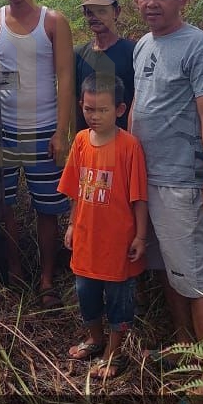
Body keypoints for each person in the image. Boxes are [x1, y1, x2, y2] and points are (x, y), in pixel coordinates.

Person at [129, 0, 203, 344]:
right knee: (167, 270)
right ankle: (186, 348)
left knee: (196, 278)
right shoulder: (143, 45)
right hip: (145, 177)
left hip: (180, 180)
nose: (152, 3)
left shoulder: (199, 45)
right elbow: (138, 104)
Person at [0, 0, 74, 304]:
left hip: (44, 130)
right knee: (5, 206)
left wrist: (61, 132)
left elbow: (65, 78)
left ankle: (46, 279)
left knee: (48, 209)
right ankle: (14, 271)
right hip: (6, 132)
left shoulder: (54, 21)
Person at [58, 74, 148, 379]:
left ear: (120, 109)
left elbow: (139, 197)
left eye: (102, 110)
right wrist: (72, 225)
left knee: (120, 299)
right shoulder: (81, 141)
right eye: (88, 109)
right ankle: (95, 339)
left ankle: (114, 352)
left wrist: (140, 236)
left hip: (118, 245)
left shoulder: (129, 146)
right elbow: (74, 190)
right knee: (86, 294)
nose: (94, 116)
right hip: (86, 240)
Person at [74, 0, 136, 132]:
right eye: (90, 12)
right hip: (88, 141)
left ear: (116, 12)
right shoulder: (79, 54)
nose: (95, 17)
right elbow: (75, 102)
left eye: (101, 11)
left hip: (123, 139)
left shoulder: (133, 52)